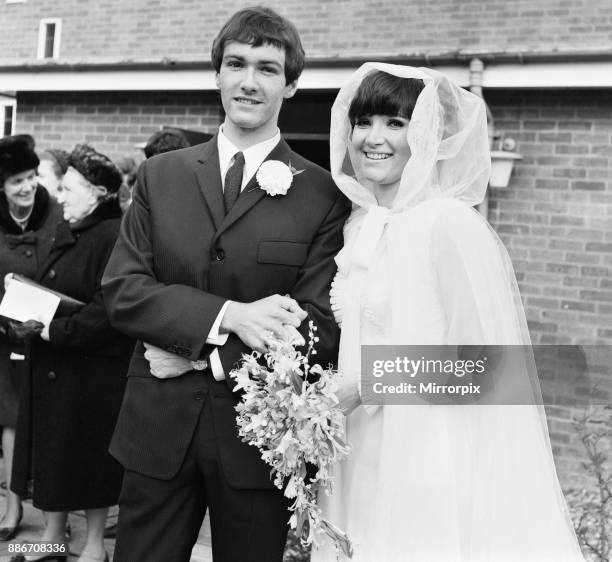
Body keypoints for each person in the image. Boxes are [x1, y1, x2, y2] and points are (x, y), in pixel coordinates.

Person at [101, 7, 349, 562]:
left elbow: (316, 327)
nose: (248, 81)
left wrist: (202, 359)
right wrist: (230, 316)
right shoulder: (160, 176)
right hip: (156, 431)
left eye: (266, 68)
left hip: (256, 446)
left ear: (290, 85)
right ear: (217, 74)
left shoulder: (324, 195)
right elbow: (123, 290)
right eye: (235, 63)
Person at [312, 64, 585, 561]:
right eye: (364, 121)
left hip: (424, 458)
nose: (374, 138)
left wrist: (366, 383)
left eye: (396, 124)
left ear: (426, 136)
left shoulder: (449, 226)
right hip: (355, 453)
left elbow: (490, 369)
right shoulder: (358, 227)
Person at [10, 144, 133, 562]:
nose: (58, 196)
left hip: (91, 374)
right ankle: (53, 538)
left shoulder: (114, 235)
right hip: (55, 368)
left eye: (68, 188)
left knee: (88, 460)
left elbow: (108, 309)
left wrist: (52, 330)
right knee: (53, 457)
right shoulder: (71, 227)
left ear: (97, 193)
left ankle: (95, 548)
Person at [0, 136, 62, 543]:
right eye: (16, 181)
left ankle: (54, 520)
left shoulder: (56, 214)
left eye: (31, 177)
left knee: (53, 421)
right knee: (9, 417)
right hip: (5, 336)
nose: (27, 187)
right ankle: (11, 503)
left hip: (51, 333)